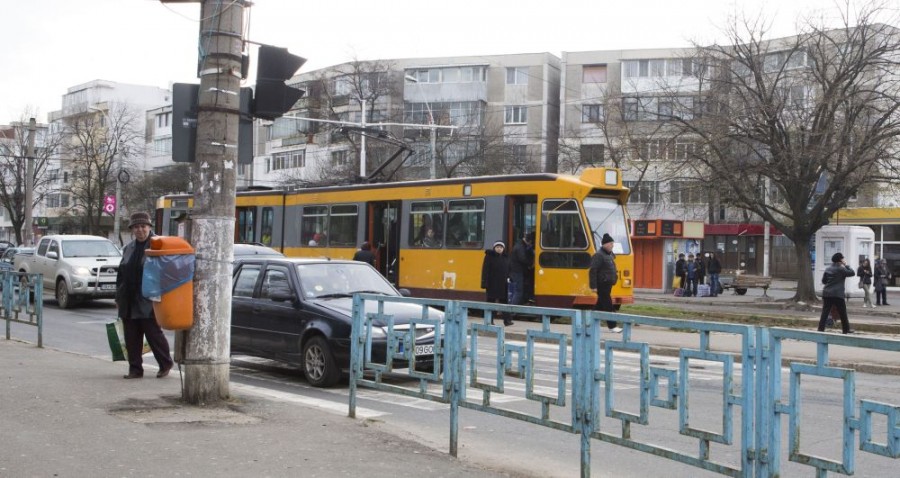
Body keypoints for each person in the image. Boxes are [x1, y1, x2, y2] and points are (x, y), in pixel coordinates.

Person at [115, 212, 174, 379]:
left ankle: (165, 363)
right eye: (136, 227)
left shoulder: (158, 245)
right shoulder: (128, 248)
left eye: (143, 226)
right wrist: (117, 297)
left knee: (153, 333)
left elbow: (168, 271)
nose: (140, 230)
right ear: (132, 229)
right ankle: (135, 369)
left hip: (149, 297)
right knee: (131, 336)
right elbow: (121, 274)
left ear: (149, 227)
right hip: (128, 297)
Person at [817, 252, 856, 334]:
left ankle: (820, 329)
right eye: (842, 258)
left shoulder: (828, 269)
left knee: (825, 312)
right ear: (840, 260)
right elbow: (852, 273)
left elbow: (824, 281)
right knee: (842, 312)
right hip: (838, 294)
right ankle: (846, 329)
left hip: (827, 293)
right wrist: (846, 265)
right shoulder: (841, 269)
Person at [590, 233, 622, 332]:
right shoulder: (599, 255)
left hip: (608, 284)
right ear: (605, 244)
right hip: (602, 284)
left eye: (613, 243)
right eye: (611, 243)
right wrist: (593, 286)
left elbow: (612, 268)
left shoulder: (609, 255)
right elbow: (593, 270)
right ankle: (612, 326)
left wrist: (615, 278)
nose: (612, 245)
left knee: (599, 305)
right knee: (608, 305)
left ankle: (588, 323)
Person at [481, 240, 512, 326]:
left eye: (501, 247)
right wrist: (484, 283)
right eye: (497, 247)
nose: (499, 249)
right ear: (494, 248)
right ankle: (489, 320)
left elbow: (509, 269)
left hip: (503, 284)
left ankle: (507, 320)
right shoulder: (489, 256)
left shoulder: (506, 257)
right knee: (491, 302)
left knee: (505, 303)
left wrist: (510, 278)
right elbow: (485, 270)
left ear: (503, 249)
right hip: (492, 284)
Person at [509, 232, 534, 306]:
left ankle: (519, 306)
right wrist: (531, 263)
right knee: (518, 291)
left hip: (518, 271)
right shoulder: (520, 247)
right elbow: (523, 259)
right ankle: (512, 310)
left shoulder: (520, 245)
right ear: (529, 241)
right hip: (517, 271)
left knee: (521, 289)